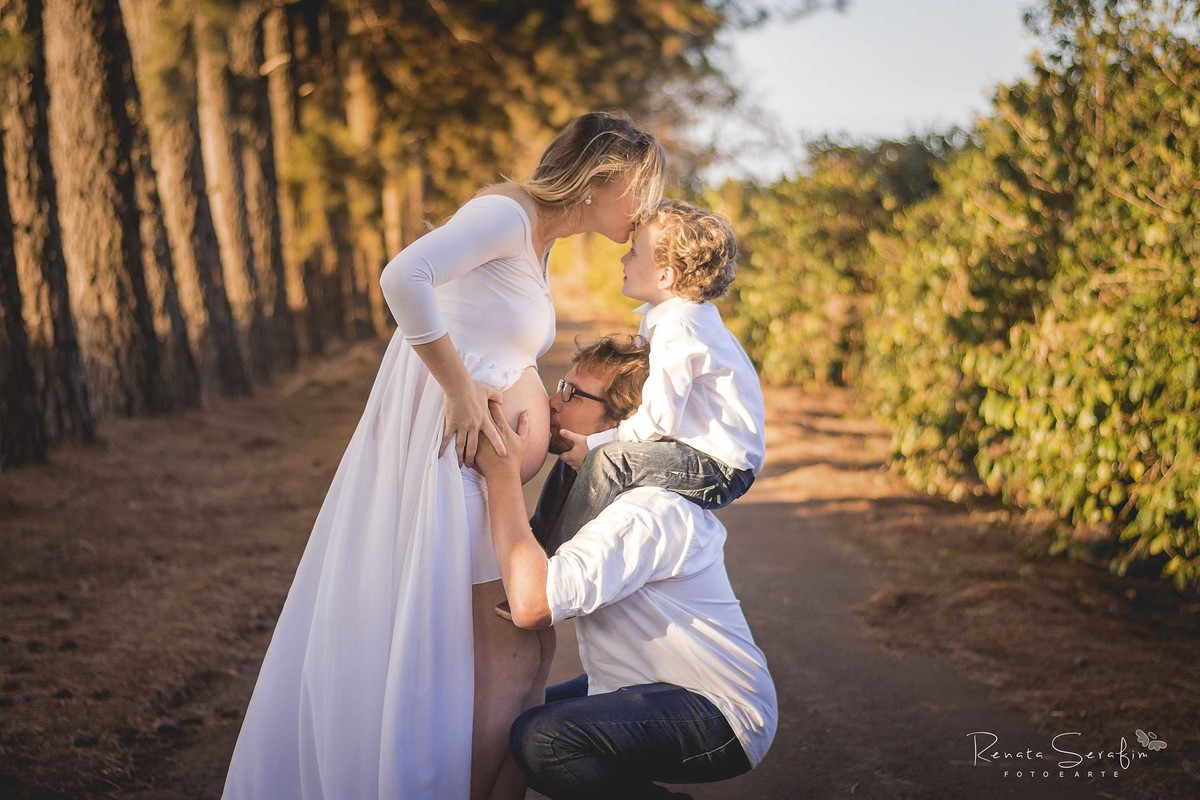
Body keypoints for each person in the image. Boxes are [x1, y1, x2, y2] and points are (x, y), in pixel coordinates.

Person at [222, 111, 666, 800]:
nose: (646, 207)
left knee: (517, 654)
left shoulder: (537, 238)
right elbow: (404, 277)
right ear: (600, 177)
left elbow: (487, 336)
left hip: (472, 471)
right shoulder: (506, 214)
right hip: (447, 467)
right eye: (641, 188)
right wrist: (459, 389)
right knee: (501, 654)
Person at [475, 337, 777, 799]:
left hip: (718, 711)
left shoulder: (645, 511)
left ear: (625, 423)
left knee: (544, 740)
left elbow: (533, 604)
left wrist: (501, 474)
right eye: (560, 386)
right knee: (513, 722)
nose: (553, 402)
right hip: (643, 684)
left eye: (573, 393)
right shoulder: (593, 485)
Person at [546, 200, 765, 555]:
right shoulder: (666, 316)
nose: (623, 259)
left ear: (665, 276)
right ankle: (539, 538)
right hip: (692, 451)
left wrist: (600, 443)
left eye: (634, 252)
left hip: (720, 467)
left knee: (606, 459)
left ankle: (559, 563)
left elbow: (660, 419)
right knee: (583, 446)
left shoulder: (680, 327)